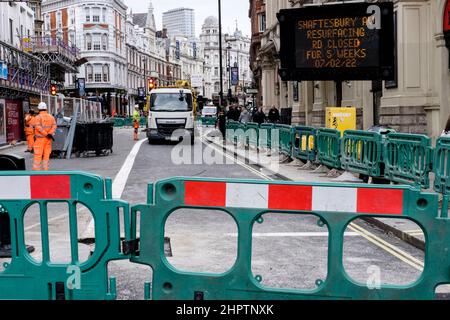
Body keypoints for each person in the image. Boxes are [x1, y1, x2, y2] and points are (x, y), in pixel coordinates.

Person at [32, 102, 57, 171]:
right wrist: (49, 133)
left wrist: (46, 134)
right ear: (46, 108)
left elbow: (38, 127)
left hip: (40, 139)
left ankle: (36, 172)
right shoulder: (51, 117)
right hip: (48, 139)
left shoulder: (38, 117)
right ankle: (45, 170)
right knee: (46, 155)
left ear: (39, 109)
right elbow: (54, 126)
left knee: (38, 155)